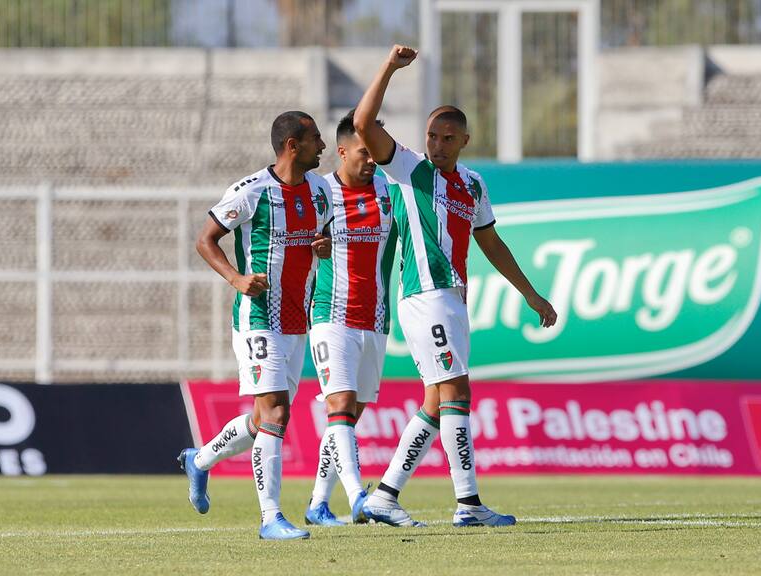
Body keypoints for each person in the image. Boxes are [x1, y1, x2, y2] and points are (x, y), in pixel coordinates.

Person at [353, 46, 558, 528]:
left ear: (465, 140)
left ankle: (384, 496)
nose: (437, 144)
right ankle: (468, 504)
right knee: (457, 390)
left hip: (452, 299)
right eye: (431, 135)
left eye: (447, 138)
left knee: (434, 400)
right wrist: (388, 69)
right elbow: (363, 123)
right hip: (426, 297)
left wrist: (529, 293)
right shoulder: (408, 169)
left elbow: (491, 242)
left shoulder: (473, 185)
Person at [178, 110, 333, 541]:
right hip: (258, 317)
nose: (322, 146)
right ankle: (270, 518)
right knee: (278, 413)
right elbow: (204, 239)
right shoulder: (250, 192)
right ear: (292, 146)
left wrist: (324, 245)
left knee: (263, 417)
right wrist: (237, 279)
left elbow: (323, 236)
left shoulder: (320, 190)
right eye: (315, 138)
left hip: (296, 321)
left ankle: (200, 460)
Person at [304, 110, 398, 527]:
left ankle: (318, 504)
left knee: (350, 414)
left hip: (375, 317)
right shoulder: (320, 191)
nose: (372, 159)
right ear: (341, 151)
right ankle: (360, 497)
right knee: (339, 406)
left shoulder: (388, 191)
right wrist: (313, 247)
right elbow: (294, 238)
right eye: (363, 152)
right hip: (331, 314)